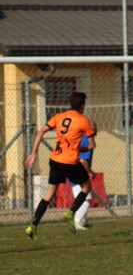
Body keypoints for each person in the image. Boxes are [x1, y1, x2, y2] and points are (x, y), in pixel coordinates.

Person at [24, 91, 96, 239]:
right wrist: (87, 147)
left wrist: (34, 153)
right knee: (86, 186)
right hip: (70, 162)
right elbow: (91, 144)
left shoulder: (59, 117)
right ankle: (71, 212)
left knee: (49, 194)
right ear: (82, 106)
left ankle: (33, 226)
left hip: (55, 160)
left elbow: (40, 132)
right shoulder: (83, 120)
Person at [70, 129, 96, 230]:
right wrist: (90, 172)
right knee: (87, 199)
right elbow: (83, 161)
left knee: (81, 198)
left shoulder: (83, 138)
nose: (95, 129)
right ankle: (77, 223)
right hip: (77, 171)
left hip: (73, 170)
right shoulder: (86, 140)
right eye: (94, 127)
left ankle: (82, 221)